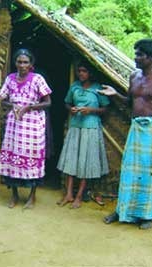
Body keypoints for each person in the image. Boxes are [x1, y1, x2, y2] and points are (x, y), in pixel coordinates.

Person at [99, 38, 152, 229]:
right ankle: (122, 210)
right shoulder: (134, 77)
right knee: (130, 171)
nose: (136, 57)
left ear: (151, 57)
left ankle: (147, 215)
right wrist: (114, 93)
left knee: (149, 171)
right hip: (136, 128)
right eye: (136, 53)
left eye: (140, 54)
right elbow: (130, 102)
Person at [0, 48, 52, 209]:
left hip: (33, 125)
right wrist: (13, 105)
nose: (22, 65)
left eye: (25, 62)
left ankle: (32, 196)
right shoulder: (10, 79)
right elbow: (2, 99)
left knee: (32, 158)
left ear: (31, 64)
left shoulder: (37, 79)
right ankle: (14, 195)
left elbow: (48, 102)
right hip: (14, 125)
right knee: (12, 157)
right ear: (15, 63)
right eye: (19, 62)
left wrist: (29, 107)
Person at [56, 60, 110, 209]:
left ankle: (79, 196)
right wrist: (71, 108)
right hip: (75, 126)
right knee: (71, 160)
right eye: (79, 71)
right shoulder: (74, 87)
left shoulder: (98, 89)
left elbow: (105, 108)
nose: (81, 74)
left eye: (84, 71)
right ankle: (68, 194)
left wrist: (91, 110)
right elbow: (66, 102)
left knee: (85, 162)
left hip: (90, 128)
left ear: (90, 73)